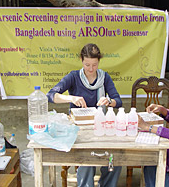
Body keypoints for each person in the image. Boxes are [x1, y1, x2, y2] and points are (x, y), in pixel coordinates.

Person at [47, 43, 122, 187]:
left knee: (114, 160)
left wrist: (109, 100)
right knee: (87, 161)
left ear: (99, 62)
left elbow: (118, 101)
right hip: (80, 129)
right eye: (87, 64)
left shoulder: (104, 77)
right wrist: (71, 98)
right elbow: (50, 95)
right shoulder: (74, 77)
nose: (91, 69)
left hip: (101, 127)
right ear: (81, 60)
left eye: (94, 65)